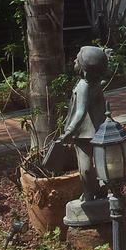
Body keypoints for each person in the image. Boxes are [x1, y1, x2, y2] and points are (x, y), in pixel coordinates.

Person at [45, 46, 109, 198]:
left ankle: (88, 194)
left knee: (85, 166)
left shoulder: (83, 86)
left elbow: (80, 111)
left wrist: (69, 130)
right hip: (100, 129)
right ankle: (100, 191)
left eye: (77, 59)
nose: (74, 60)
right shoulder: (95, 83)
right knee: (101, 164)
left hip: (84, 133)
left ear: (84, 67)